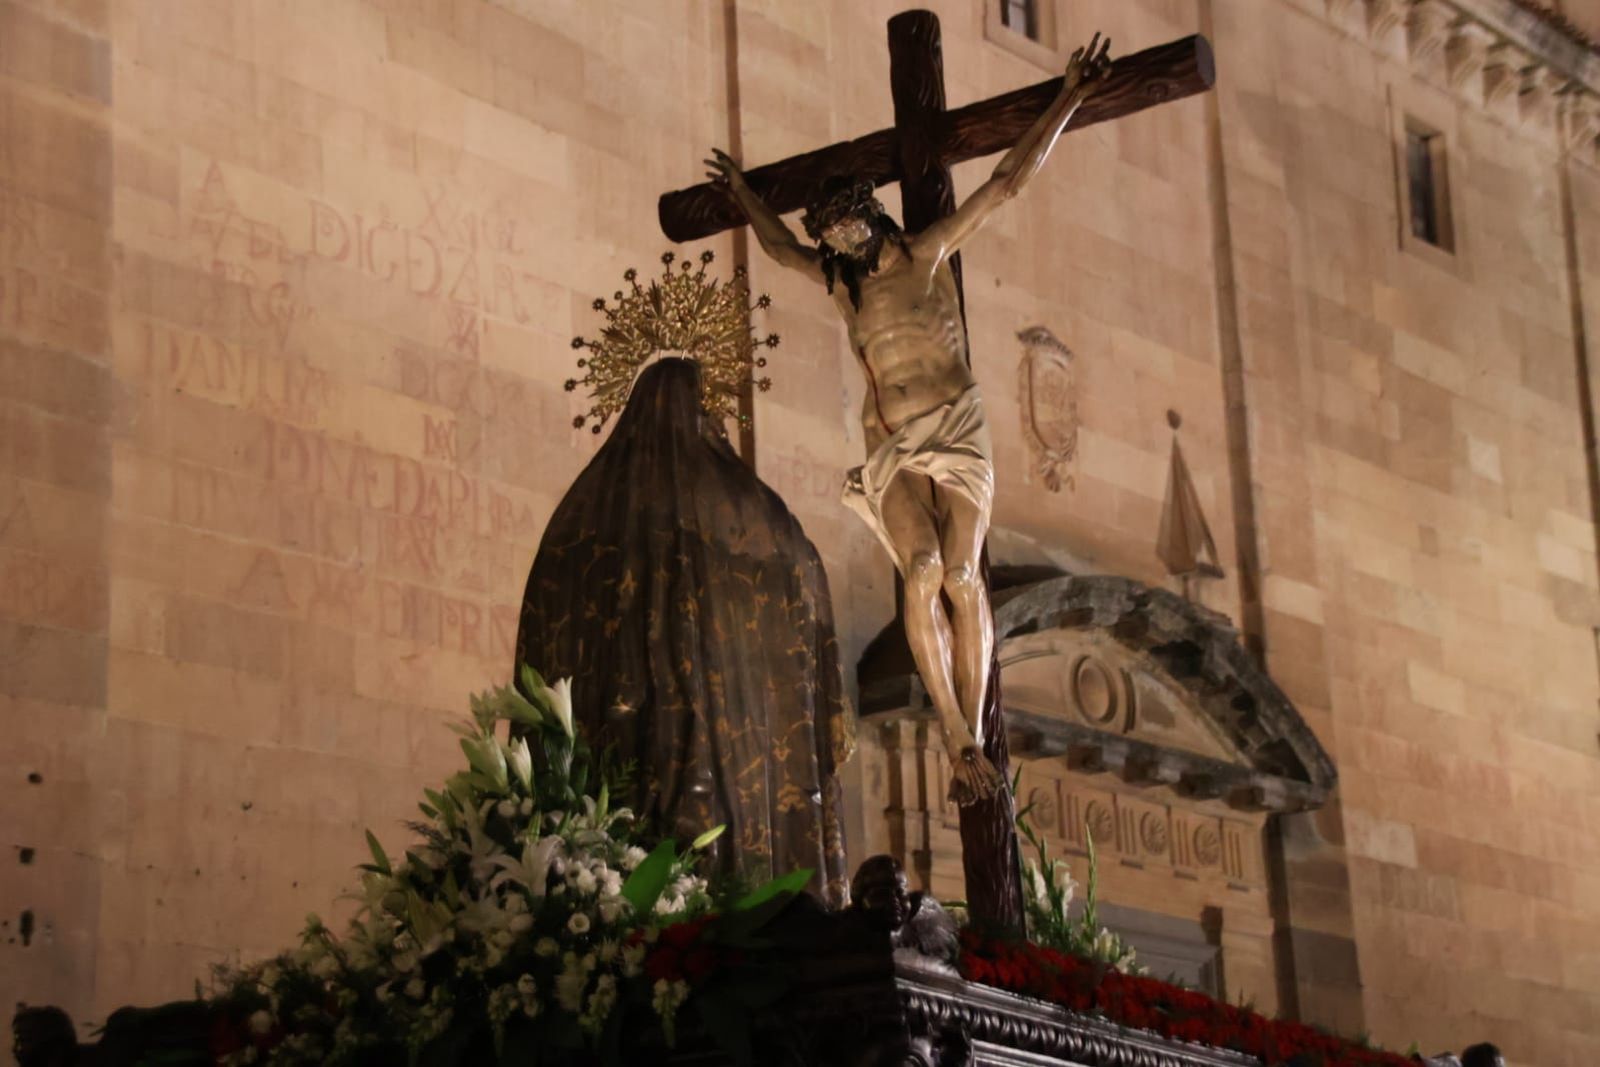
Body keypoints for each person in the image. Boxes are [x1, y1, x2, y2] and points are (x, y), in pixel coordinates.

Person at [706, 34, 1113, 805]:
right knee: (921, 570)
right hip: (892, 444)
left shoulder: (926, 255)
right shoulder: (843, 286)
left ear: (868, 218)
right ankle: (958, 735)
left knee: (962, 575)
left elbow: (1004, 184)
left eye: (841, 232)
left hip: (956, 432)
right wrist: (743, 197)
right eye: (828, 238)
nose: (833, 245)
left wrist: (1069, 98)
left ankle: (978, 728)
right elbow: (778, 247)